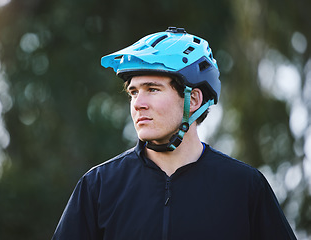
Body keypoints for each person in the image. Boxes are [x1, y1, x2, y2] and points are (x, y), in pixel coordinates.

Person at [52, 27, 296, 240]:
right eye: (134, 92)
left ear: (194, 99)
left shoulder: (245, 188)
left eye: (152, 89)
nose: (138, 103)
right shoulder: (98, 186)